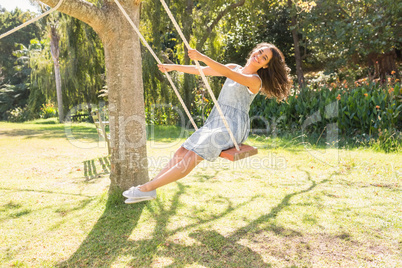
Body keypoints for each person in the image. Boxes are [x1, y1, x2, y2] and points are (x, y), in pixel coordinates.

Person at [123, 43, 291, 203]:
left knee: (193, 156)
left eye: (264, 58)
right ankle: (151, 186)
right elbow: (202, 70)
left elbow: (228, 74)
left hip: (232, 127)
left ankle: (146, 188)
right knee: (183, 151)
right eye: (260, 52)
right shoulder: (234, 67)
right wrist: (174, 67)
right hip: (216, 122)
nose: (259, 56)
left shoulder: (255, 80)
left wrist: (202, 56)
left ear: (266, 66)